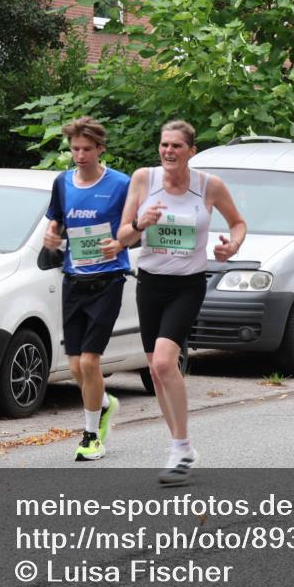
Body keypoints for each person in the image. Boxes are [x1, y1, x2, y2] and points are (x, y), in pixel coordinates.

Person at [117, 120, 246, 485]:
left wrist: (230, 246)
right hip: (150, 284)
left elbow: (238, 223)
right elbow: (123, 236)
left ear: (191, 150)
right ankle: (181, 446)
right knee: (157, 371)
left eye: (176, 146)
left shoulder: (209, 186)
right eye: (163, 145)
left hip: (188, 285)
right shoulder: (144, 179)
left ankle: (179, 445)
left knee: (162, 361)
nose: (168, 151)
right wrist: (141, 224)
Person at [43, 117, 131, 461]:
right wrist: (51, 235)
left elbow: (134, 229)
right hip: (73, 280)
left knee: (92, 361)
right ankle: (105, 403)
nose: (79, 155)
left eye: (86, 149)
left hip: (108, 280)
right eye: (74, 148)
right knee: (76, 366)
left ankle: (92, 436)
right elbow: (56, 221)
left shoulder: (121, 184)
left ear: (100, 149)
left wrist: (119, 243)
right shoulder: (62, 182)